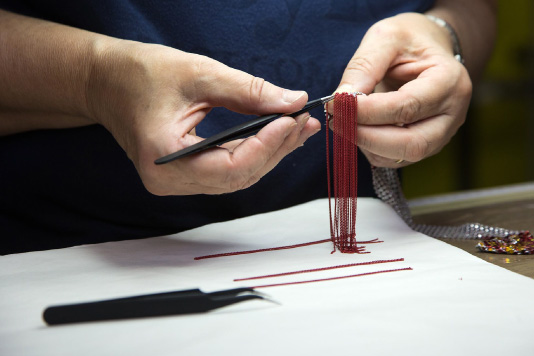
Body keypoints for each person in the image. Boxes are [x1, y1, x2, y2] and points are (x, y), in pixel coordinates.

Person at [0, 0, 496, 254]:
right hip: (77, 262)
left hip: (358, 258)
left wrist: (446, 35)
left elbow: (474, 7)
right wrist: (94, 79)